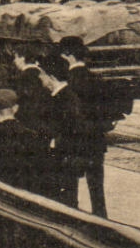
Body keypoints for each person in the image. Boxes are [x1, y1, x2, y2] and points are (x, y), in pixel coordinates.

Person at [57, 37, 116, 217]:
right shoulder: (98, 79)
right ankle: (101, 222)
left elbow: (64, 116)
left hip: (73, 144)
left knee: (69, 191)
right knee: (97, 191)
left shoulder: (67, 82)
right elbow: (109, 113)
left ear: (68, 55)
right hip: (96, 143)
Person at [33, 54, 95, 213]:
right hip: (63, 158)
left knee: (67, 201)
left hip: (66, 159)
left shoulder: (66, 98)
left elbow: (72, 129)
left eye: (42, 76)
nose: (40, 80)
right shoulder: (61, 96)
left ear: (51, 77)